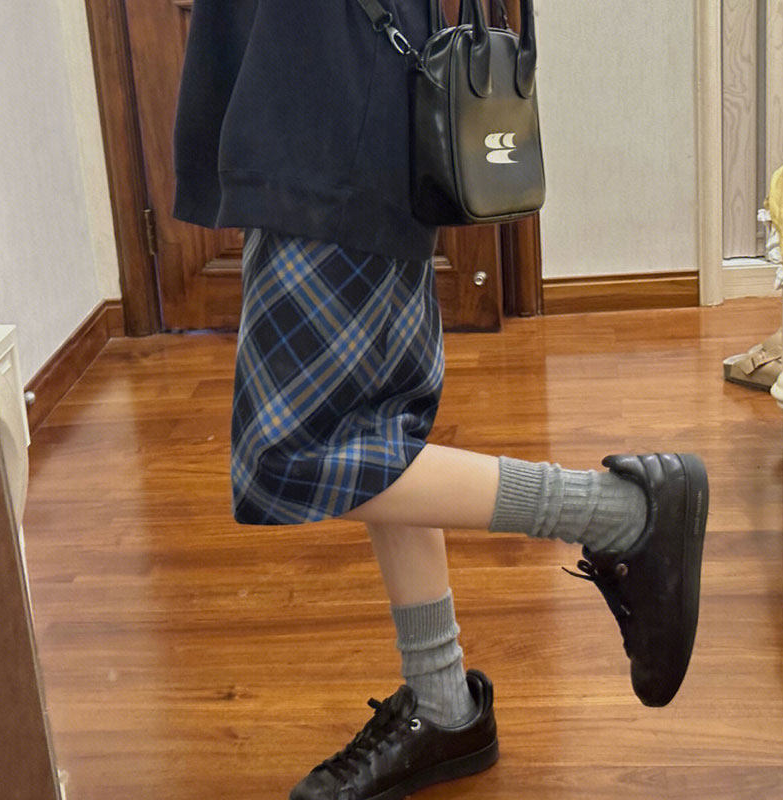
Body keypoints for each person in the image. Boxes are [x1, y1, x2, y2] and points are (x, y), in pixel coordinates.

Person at [171, 3, 709, 799]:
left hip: (326, 98)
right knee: (376, 432)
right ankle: (443, 703)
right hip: (344, 92)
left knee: (285, 459)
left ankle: (617, 514)